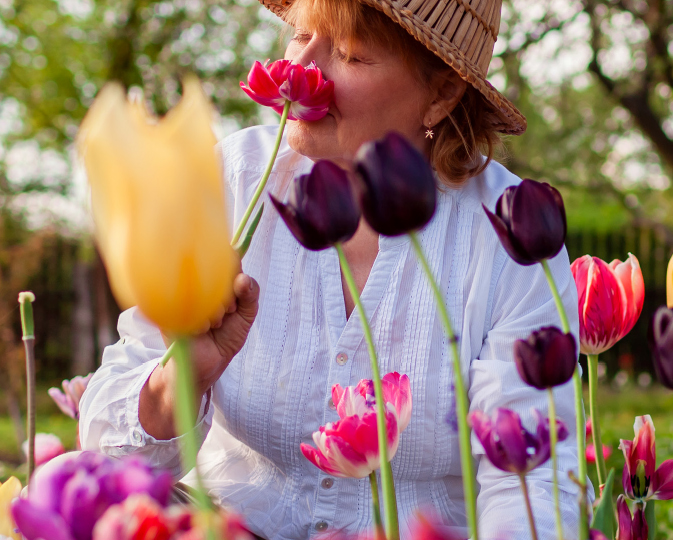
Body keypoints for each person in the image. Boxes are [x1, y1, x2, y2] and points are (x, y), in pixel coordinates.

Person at [76, 0, 578, 537]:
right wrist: (180, 378)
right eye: (300, 36)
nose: (302, 68)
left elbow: (533, 479)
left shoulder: (509, 231)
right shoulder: (236, 181)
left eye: (348, 54)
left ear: (442, 93)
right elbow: (107, 447)